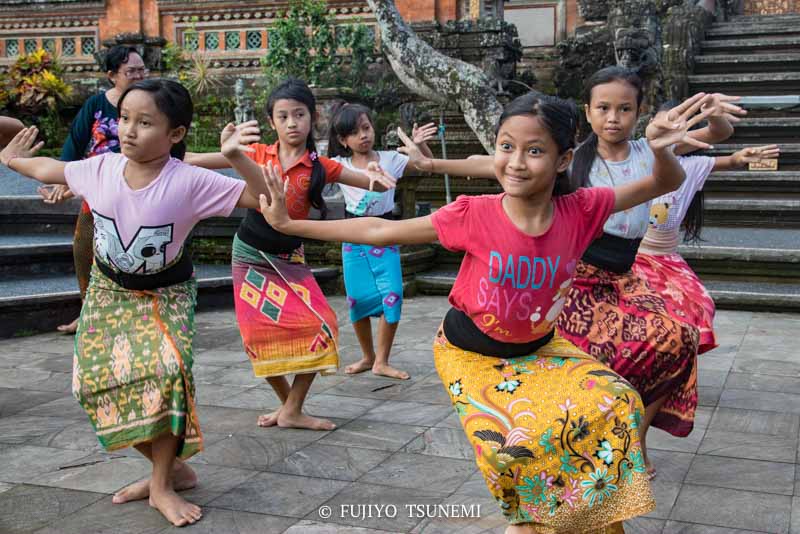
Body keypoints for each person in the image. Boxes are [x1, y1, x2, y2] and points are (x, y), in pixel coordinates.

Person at [256, 89, 715, 533]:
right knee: (519, 443)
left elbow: (664, 182)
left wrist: (659, 149)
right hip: (470, 354)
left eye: (534, 151)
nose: (515, 162)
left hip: (540, 348)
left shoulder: (583, 209)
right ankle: (529, 521)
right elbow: (379, 230)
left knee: (617, 403)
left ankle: (584, 522)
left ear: (561, 160)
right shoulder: (473, 213)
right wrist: (289, 224)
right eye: (506, 147)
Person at [0, 78, 270, 527]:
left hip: (166, 294)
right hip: (109, 292)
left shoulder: (189, 181)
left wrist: (237, 157)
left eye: (145, 123)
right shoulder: (100, 168)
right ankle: (173, 468)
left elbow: (262, 198)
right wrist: (12, 159)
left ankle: (162, 483)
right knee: (91, 385)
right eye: (125, 118)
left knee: (164, 375)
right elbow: (49, 169)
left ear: (176, 134)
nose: (128, 130)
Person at [556, 66, 745, 478]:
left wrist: (713, 112)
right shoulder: (571, 160)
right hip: (578, 279)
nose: (612, 118)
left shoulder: (650, 150)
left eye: (624, 109)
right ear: (587, 112)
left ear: (638, 112)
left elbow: (719, 136)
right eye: (603, 108)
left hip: (627, 273)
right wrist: (431, 166)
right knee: (587, 364)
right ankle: (581, 445)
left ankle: (633, 437)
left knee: (679, 340)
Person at [186, 78, 397, 431]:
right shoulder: (255, 154)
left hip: (290, 257)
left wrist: (375, 174)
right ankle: (290, 407)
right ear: (272, 122)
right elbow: (196, 160)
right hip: (250, 255)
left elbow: (366, 180)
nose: (291, 123)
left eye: (298, 115)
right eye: (282, 116)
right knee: (259, 337)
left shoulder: (321, 166)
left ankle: (291, 409)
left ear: (312, 118)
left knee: (323, 326)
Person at [39, 45, 148, 334]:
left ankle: (137, 312)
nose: (139, 75)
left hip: (142, 185)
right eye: (131, 71)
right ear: (112, 75)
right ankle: (89, 311)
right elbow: (74, 145)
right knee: (84, 247)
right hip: (99, 187)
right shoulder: (97, 104)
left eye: (142, 69)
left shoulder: (153, 101)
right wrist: (63, 180)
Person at [634, 142, 780, 354]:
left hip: (666, 259)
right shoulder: (634, 160)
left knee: (700, 305)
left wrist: (739, 158)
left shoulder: (692, 165)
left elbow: (729, 159)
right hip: (632, 257)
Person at [327, 102, 437, 380]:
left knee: (393, 295)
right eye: (354, 132)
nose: (363, 135)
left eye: (366, 128)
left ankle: (382, 361)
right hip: (352, 234)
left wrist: (420, 146)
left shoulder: (391, 159)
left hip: (386, 232)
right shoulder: (339, 166)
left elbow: (426, 166)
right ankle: (368, 357)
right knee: (357, 300)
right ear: (343, 140)